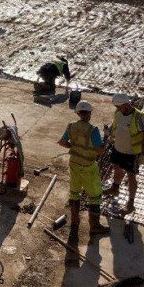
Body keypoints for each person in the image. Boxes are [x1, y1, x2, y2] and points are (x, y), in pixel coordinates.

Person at [58, 100, 110, 236]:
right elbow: (100, 150)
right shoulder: (92, 130)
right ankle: (95, 226)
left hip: (74, 163)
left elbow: (63, 142)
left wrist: (73, 147)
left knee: (74, 192)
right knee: (95, 195)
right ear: (89, 114)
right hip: (88, 166)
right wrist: (107, 136)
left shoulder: (71, 126)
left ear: (78, 113)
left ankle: (75, 221)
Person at [103, 93, 144, 215]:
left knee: (131, 176)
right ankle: (115, 188)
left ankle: (131, 203)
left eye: (118, 106)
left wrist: (142, 154)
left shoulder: (139, 118)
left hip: (131, 153)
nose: (116, 109)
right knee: (116, 168)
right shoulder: (118, 113)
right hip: (118, 148)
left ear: (124, 105)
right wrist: (109, 133)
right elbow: (115, 127)